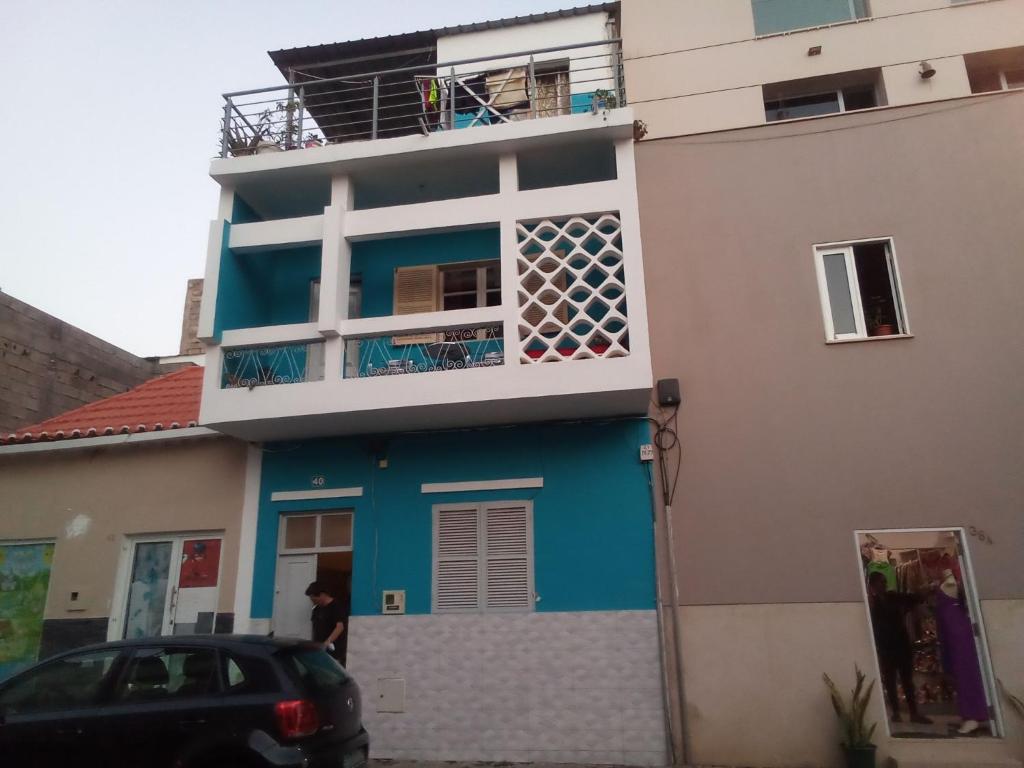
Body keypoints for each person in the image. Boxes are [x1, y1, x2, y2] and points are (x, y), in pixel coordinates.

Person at [867, 571, 933, 725]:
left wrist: (926, 589)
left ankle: (913, 713)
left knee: (907, 680)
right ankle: (896, 712)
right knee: (890, 681)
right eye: (879, 583)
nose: (882, 585)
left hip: (901, 645)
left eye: (884, 582)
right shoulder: (872, 604)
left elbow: (914, 598)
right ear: (872, 586)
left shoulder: (894, 597)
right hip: (885, 648)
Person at [305, 581, 345, 661]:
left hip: (333, 651)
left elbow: (340, 627)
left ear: (322, 595)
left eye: (314, 599)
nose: (313, 602)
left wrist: (327, 642)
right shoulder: (316, 609)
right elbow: (315, 628)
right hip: (318, 650)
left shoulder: (336, 606)